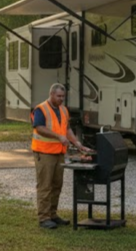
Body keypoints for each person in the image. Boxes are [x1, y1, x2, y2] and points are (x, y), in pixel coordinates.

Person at [31, 83, 91, 229]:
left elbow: (67, 129)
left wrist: (77, 143)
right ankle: (44, 218)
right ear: (51, 94)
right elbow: (39, 128)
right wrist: (58, 136)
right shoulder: (41, 109)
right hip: (44, 153)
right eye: (58, 96)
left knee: (57, 185)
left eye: (63, 96)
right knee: (45, 185)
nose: (61, 99)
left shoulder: (64, 110)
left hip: (59, 153)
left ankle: (52, 214)